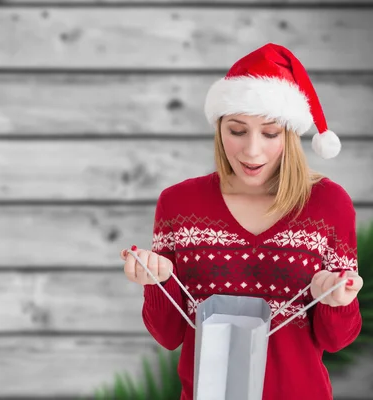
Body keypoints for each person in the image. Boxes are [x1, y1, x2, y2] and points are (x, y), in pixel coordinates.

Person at [120, 43, 364, 400]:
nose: (252, 151)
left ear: (290, 135)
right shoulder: (178, 204)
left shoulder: (329, 204)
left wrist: (336, 299)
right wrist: (156, 281)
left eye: (270, 133)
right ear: (219, 128)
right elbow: (169, 336)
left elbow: (337, 339)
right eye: (237, 131)